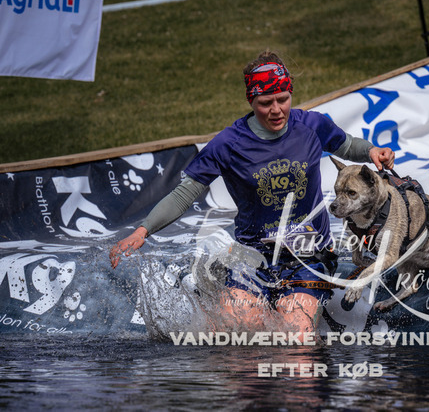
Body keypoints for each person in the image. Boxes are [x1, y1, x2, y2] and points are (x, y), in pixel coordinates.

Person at [110, 50, 395, 335]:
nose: (276, 110)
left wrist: (372, 151)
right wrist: (143, 230)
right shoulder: (228, 144)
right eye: (265, 103)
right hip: (252, 259)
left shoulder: (312, 126)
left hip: (309, 257)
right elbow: (184, 194)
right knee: (240, 332)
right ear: (251, 101)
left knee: (296, 336)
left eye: (283, 99)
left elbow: (347, 145)